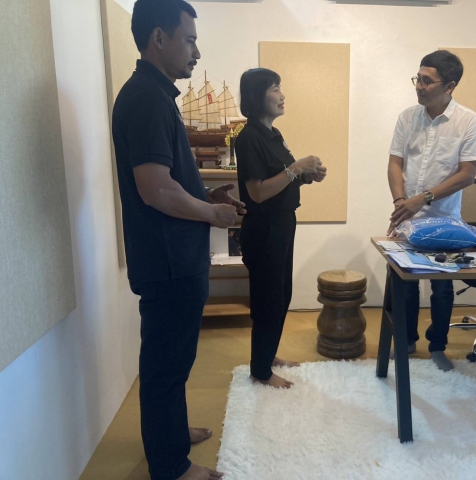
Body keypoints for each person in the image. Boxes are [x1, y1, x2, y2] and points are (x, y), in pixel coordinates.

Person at [112, 1, 245, 478]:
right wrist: (212, 213)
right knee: (166, 365)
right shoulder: (147, 99)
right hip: (169, 262)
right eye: (189, 39)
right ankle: (171, 467)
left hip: (172, 257)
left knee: (172, 360)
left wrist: (207, 196)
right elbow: (155, 189)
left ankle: (170, 432)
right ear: (158, 38)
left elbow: (168, 183)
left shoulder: (153, 95)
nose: (196, 51)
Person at [387, 50, 476, 372]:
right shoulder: (407, 117)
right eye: (417, 79)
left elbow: (467, 174)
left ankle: (437, 346)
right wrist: (401, 202)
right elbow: (395, 163)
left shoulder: (469, 121)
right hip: (406, 214)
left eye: (426, 81)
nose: (419, 86)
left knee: (442, 286)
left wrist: (423, 198)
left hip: (445, 220)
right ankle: (406, 340)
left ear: (449, 86)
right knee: (404, 281)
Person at [235, 68, 327, 389]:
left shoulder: (273, 134)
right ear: (257, 96)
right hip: (265, 229)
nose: (282, 95)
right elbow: (258, 192)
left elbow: (282, 179)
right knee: (269, 298)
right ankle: (260, 371)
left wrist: (306, 175)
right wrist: (296, 167)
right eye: (275, 89)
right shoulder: (249, 137)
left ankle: (267, 355)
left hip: (283, 223)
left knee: (280, 294)